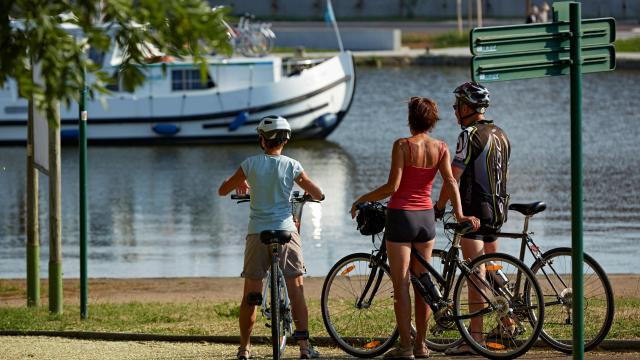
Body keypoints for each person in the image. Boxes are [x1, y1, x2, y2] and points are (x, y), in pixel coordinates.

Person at [350, 97, 480, 360]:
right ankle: (422, 345)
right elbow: (451, 181)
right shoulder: (441, 147)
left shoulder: (402, 146)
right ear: (433, 121)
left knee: (402, 286)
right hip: (425, 220)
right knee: (424, 283)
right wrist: (460, 213)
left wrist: (363, 198)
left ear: (411, 119)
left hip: (400, 218)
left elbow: (392, 187)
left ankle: (406, 348)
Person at [218, 115, 324, 360]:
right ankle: (305, 348)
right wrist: (316, 194)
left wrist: (242, 182)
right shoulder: (292, 165)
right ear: (285, 141)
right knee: (296, 288)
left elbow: (223, 189)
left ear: (262, 140)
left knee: (251, 293)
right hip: (287, 231)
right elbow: (317, 192)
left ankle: (244, 348)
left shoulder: (250, 164)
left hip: (258, 233)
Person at [434, 82, 511, 355]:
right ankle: (508, 321)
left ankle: (473, 339)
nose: (454, 111)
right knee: (491, 271)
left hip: (474, 213)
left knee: (475, 275)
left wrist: (440, 205)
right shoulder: (500, 133)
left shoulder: (468, 135)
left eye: (457, 106)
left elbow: (453, 175)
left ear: (467, 107)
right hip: (498, 211)